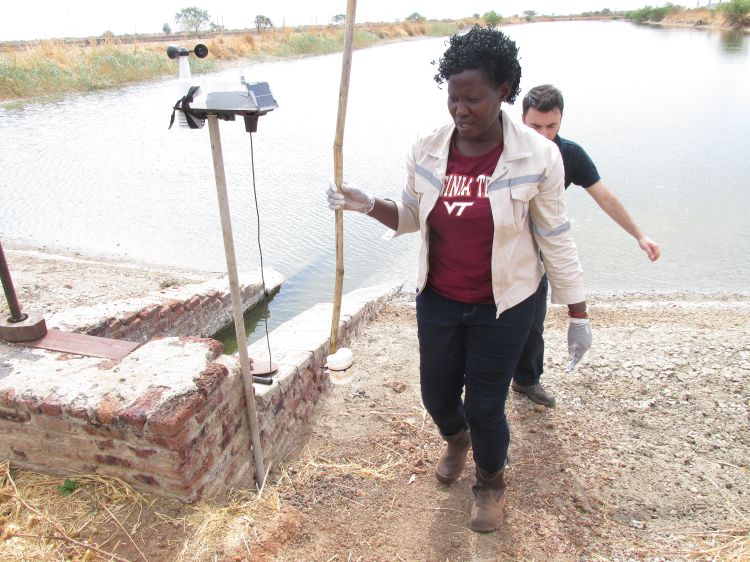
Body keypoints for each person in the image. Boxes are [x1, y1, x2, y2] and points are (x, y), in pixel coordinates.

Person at [326, 27, 592, 533]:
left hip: (506, 304)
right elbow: (409, 215)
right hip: (442, 297)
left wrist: (576, 312)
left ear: (505, 91)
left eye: (473, 99)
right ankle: (455, 439)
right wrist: (366, 205)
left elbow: (555, 237)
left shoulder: (538, 156)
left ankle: (490, 482)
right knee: (437, 396)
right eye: (453, 98)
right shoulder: (429, 148)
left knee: (486, 405)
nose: (460, 110)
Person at [511, 84, 661, 408]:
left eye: (552, 126)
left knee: (533, 320)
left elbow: (604, 196)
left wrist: (639, 235)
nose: (544, 134)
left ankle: (526, 379)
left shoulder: (569, 154)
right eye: (535, 126)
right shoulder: (504, 151)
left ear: (561, 120)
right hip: (501, 247)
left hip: (539, 250)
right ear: (521, 119)